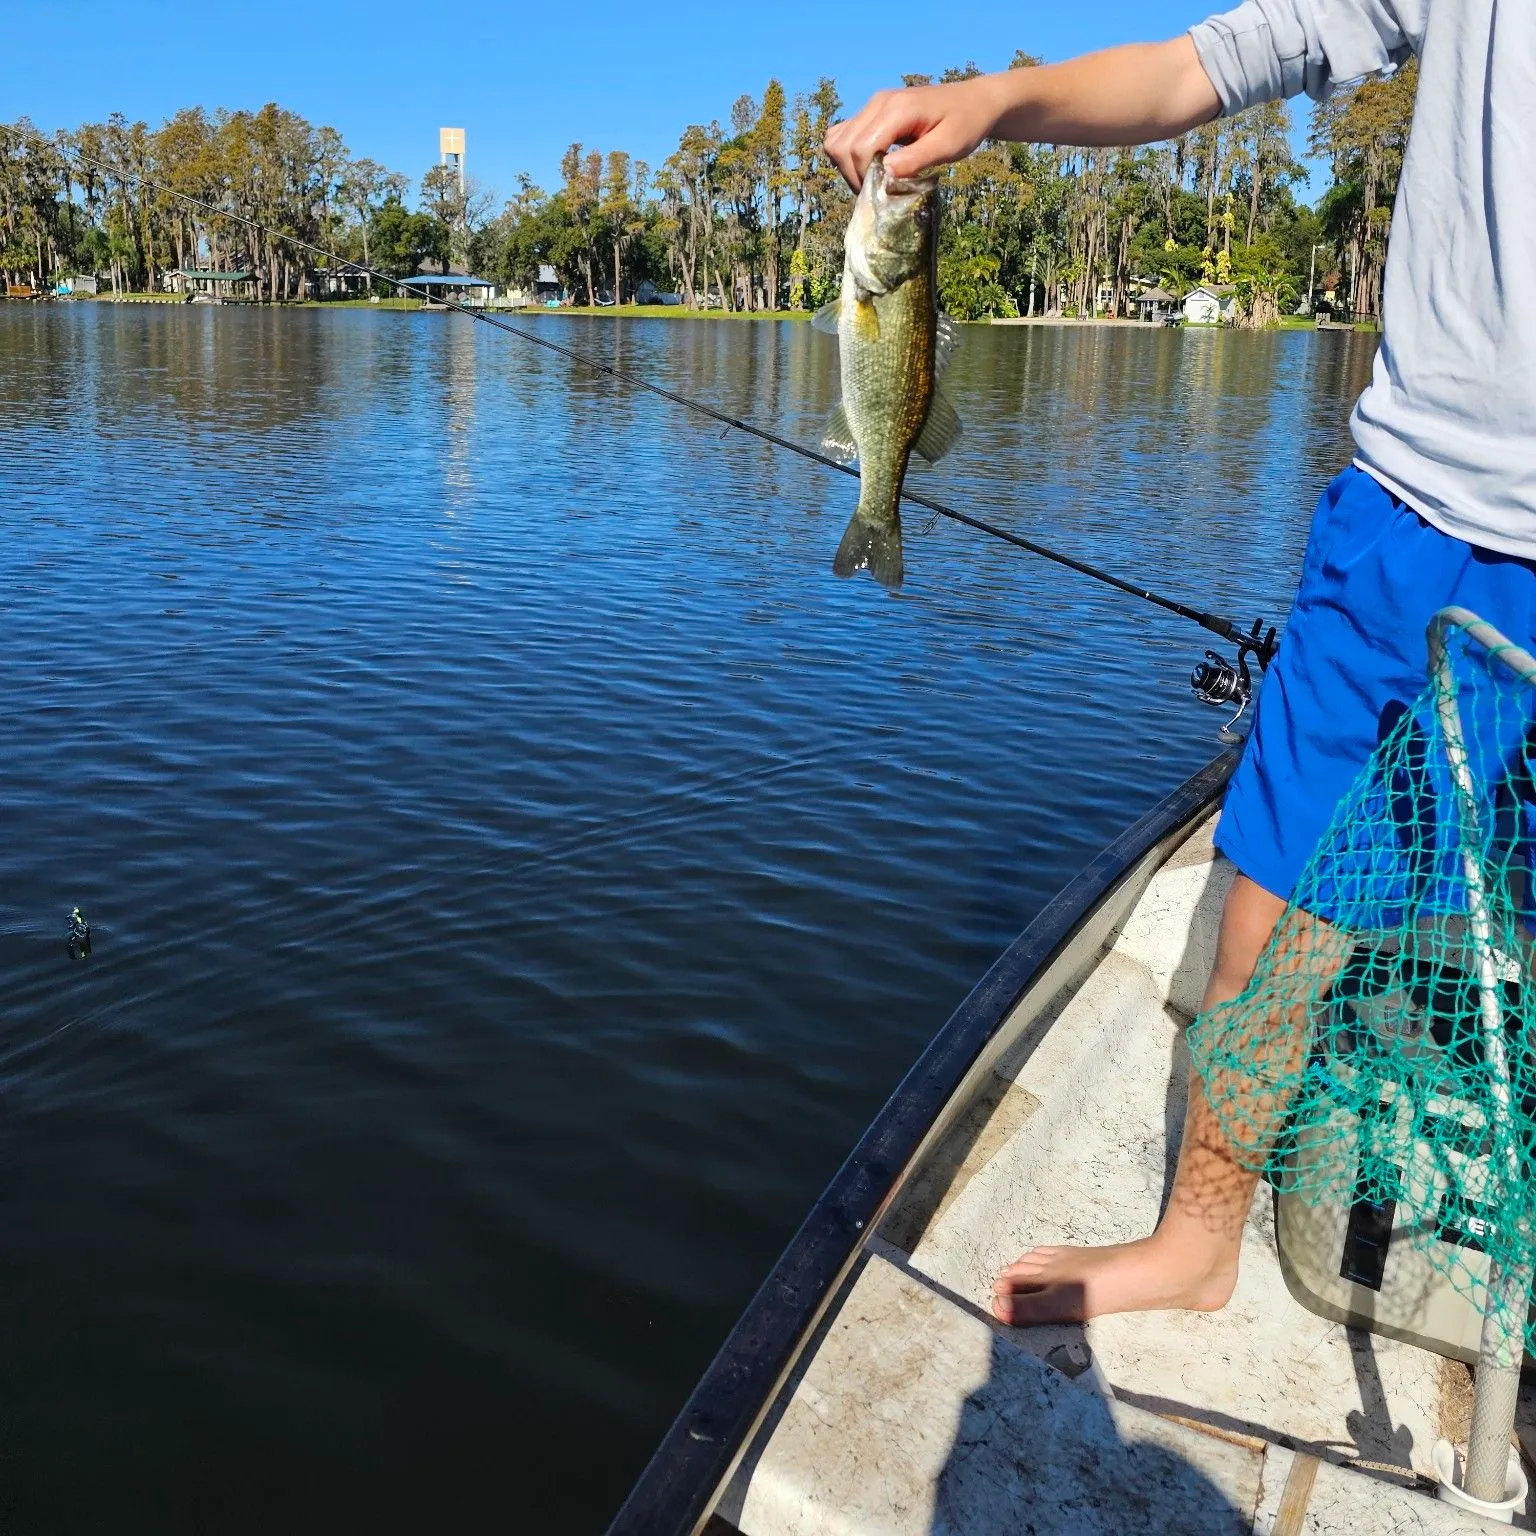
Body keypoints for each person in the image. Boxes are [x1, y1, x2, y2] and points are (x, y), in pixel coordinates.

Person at [827, 0, 1535, 1327]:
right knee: (1267, 900)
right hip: (1411, 514)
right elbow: (1212, 61)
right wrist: (993, 101)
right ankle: (1198, 1241)